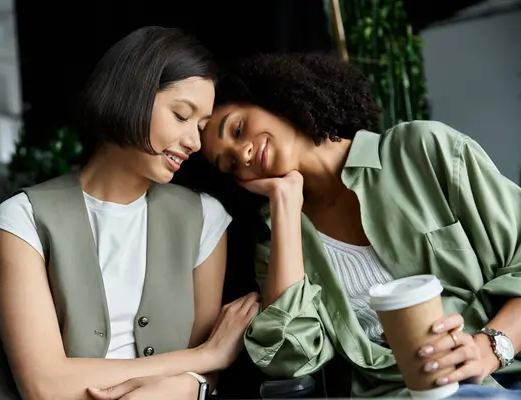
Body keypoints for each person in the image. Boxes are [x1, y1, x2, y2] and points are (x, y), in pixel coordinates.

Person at [198, 53, 521, 398]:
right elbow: (291, 359)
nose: (243, 155)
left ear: (270, 98)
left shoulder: (422, 151)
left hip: (504, 375)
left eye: (237, 128)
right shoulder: (276, 242)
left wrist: (489, 349)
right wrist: (286, 208)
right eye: (230, 164)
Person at [0, 26, 259, 400]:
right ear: (131, 96)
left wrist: (183, 380)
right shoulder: (22, 219)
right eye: (181, 115)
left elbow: (201, 380)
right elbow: (44, 386)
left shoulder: (204, 220)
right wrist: (204, 355)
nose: (194, 141)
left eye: (201, 126)